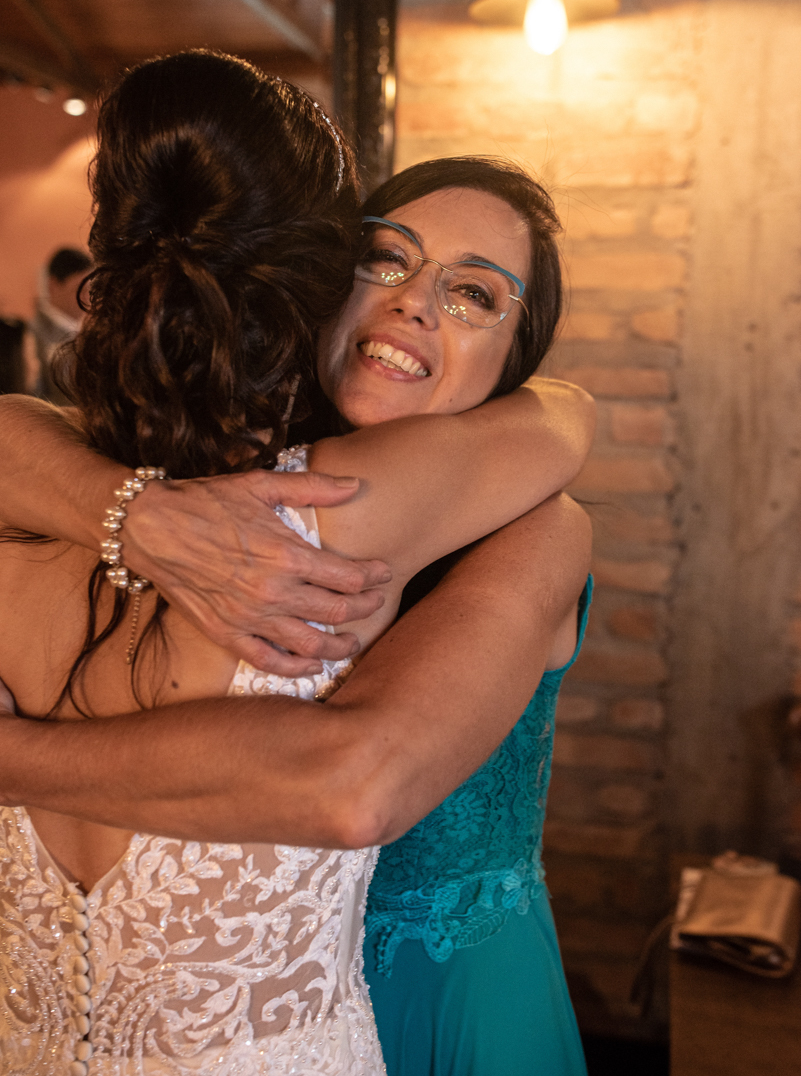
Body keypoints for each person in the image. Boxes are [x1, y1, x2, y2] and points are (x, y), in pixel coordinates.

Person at [0, 54, 592, 1076]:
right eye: (387, 259)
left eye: (473, 296)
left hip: (452, 1002)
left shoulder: (527, 516)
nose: (414, 304)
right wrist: (130, 514)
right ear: (318, 276)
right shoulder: (155, 484)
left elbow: (357, 788)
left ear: (516, 365)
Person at [32, 246, 91, 404]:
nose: (87, 299)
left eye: (90, 290)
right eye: (80, 290)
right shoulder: (32, 334)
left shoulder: (89, 329)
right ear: (53, 285)